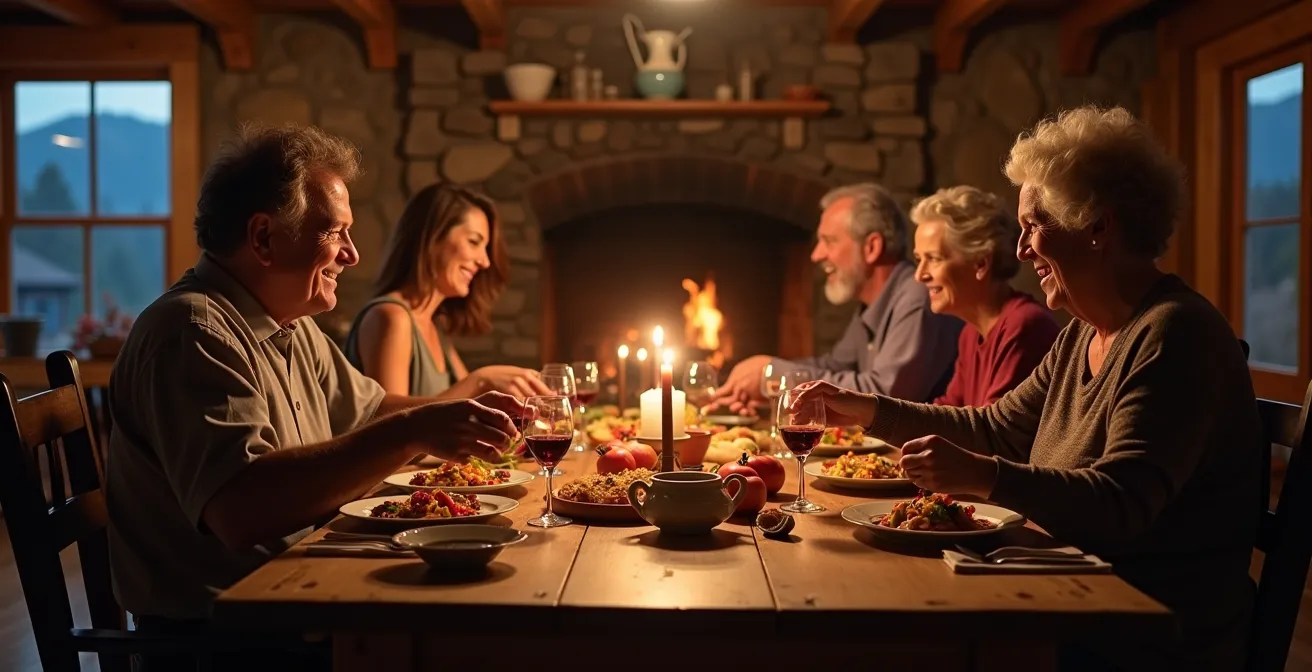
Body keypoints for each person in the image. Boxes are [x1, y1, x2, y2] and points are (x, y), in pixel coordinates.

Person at [789, 106, 1261, 670]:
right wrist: (866, 410)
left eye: (1036, 225)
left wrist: (983, 477)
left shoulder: (1174, 335)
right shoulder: (1081, 334)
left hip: (1141, 632)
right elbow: (992, 427)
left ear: (1098, 227)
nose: (1021, 250)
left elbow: (1123, 503)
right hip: (1063, 590)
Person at [104, 123, 521, 670]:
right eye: (334, 233)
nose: (351, 254)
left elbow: (372, 412)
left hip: (299, 593)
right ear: (263, 238)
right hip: (228, 639)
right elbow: (240, 509)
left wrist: (460, 415)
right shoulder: (192, 330)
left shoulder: (291, 326)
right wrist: (417, 431)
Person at [714, 182, 962, 410]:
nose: (816, 255)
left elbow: (885, 395)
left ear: (872, 248)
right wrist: (769, 386)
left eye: (829, 241)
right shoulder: (873, 304)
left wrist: (777, 376)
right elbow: (834, 366)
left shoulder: (917, 296)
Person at [344, 181, 548, 399]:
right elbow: (387, 422)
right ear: (433, 238)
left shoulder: (433, 323)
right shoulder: (391, 317)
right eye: (473, 242)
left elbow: (467, 404)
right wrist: (481, 380)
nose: (485, 261)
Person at [909, 185, 1060, 406]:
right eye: (918, 259)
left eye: (934, 258)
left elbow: (992, 433)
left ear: (981, 262)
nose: (919, 275)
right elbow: (947, 412)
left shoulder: (1023, 327)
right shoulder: (971, 333)